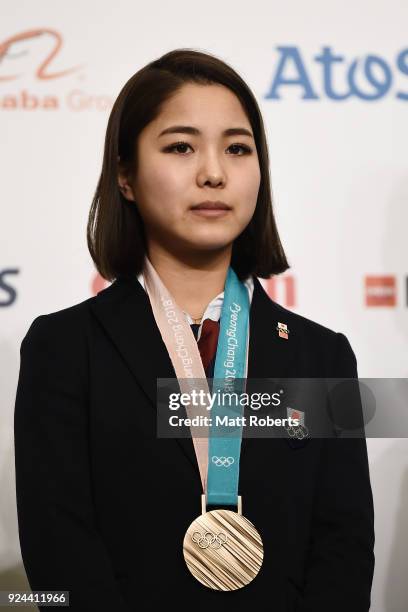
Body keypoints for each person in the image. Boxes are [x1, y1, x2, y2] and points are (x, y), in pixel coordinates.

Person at [14, 48, 375, 611]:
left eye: (237, 148)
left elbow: (345, 546)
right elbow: (55, 550)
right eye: (181, 147)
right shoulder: (63, 349)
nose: (213, 172)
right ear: (125, 176)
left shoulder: (322, 355)